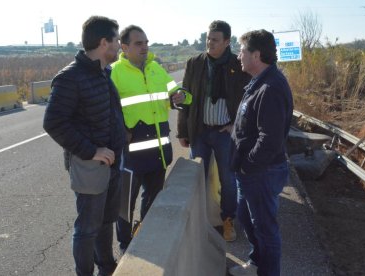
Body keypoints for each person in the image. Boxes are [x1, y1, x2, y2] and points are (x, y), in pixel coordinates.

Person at [43, 16, 126, 276]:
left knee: (105, 222)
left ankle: (107, 267)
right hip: (90, 164)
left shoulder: (103, 72)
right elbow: (54, 123)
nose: (120, 46)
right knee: (87, 227)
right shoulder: (71, 77)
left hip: (112, 161)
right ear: (104, 42)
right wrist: (92, 151)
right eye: (117, 40)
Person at [110, 25, 192, 253]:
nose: (145, 46)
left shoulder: (156, 69)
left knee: (153, 200)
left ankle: (143, 236)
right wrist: (119, 131)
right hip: (129, 154)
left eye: (146, 42)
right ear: (124, 47)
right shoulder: (114, 72)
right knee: (125, 205)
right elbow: (106, 110)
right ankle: (125, 246)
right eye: (139, 43)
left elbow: (181, 94)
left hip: (158, 150)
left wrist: (181, 96)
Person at [177, 20, 250, 241]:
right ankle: (197, 221)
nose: (210, 43)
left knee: (228, 179)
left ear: (227, 42)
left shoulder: (239, 65)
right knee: (197, 177)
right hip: (200, 130)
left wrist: (235, 125)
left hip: (225, 133)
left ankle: (227, 219)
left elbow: (247, 98)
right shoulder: (195, 63)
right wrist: (183, 131)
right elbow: (185, 97)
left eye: (215, 40)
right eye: (208, 38)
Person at [228, 29, 293, 276]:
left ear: (256, 55)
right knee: (247, 219)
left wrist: (248, 165)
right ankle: (256, 264)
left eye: (242, 51)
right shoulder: (258, 82)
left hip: (260, 172)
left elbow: (270, 139)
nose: (239, 56)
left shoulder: (271, 87)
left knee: (265, 229)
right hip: (251, 172)